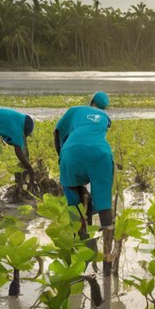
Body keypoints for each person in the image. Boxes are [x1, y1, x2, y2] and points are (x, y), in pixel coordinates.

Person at [55, 100, 114, 246]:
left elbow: (57, 132)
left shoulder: (74, 110)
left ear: (91, 102)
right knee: (104, 202)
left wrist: (61, 156)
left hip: (71, 152)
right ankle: (108, 249)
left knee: (72, 197)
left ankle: (82, 238)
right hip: (101, 152)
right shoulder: (105, 117)